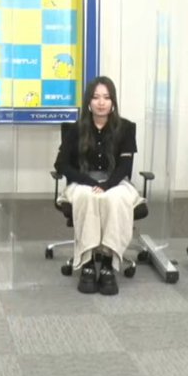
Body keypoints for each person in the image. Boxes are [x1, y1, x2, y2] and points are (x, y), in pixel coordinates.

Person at [54, 76, 141, 296]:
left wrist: (107, 185)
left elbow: (125, 166)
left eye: (106, 97)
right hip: (84, 180)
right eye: (96, 97)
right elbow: (61, 164)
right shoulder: (76, 129)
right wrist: (91, 182)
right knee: (88, 197)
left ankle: (109, 263)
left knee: (115, 199)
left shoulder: (126, 128)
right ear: (88, 102)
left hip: (115, 181)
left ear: (113, 102)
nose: (101, 102)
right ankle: (88, 262)